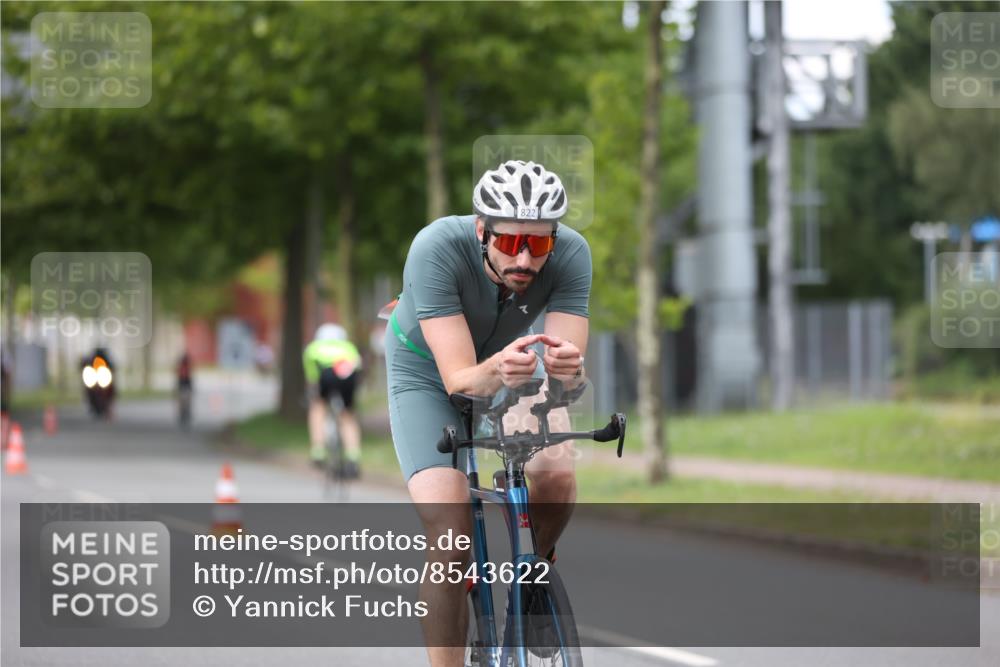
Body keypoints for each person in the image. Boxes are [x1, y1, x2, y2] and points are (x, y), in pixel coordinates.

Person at [384, 159, 589, 666]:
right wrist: (500, 369)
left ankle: (535, 573)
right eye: (511, 241)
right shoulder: (435, 248)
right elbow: (459, 380)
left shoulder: (572, 254)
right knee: (451, 541)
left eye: (538, 243)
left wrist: (569, 372)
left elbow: (568, 384)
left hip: (510, 363)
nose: (524, 257)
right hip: (427, 372)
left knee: (557, 475)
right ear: (482, 230)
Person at [302, 323, 363, 477]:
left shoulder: (313, 348)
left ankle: (318, 451)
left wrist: (315, 391)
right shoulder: (349, 347)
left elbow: (312, 377)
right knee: (348, 415)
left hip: (326, 375)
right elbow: (358, 367)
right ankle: (353, 457)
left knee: (318, 407)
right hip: (348, 375)